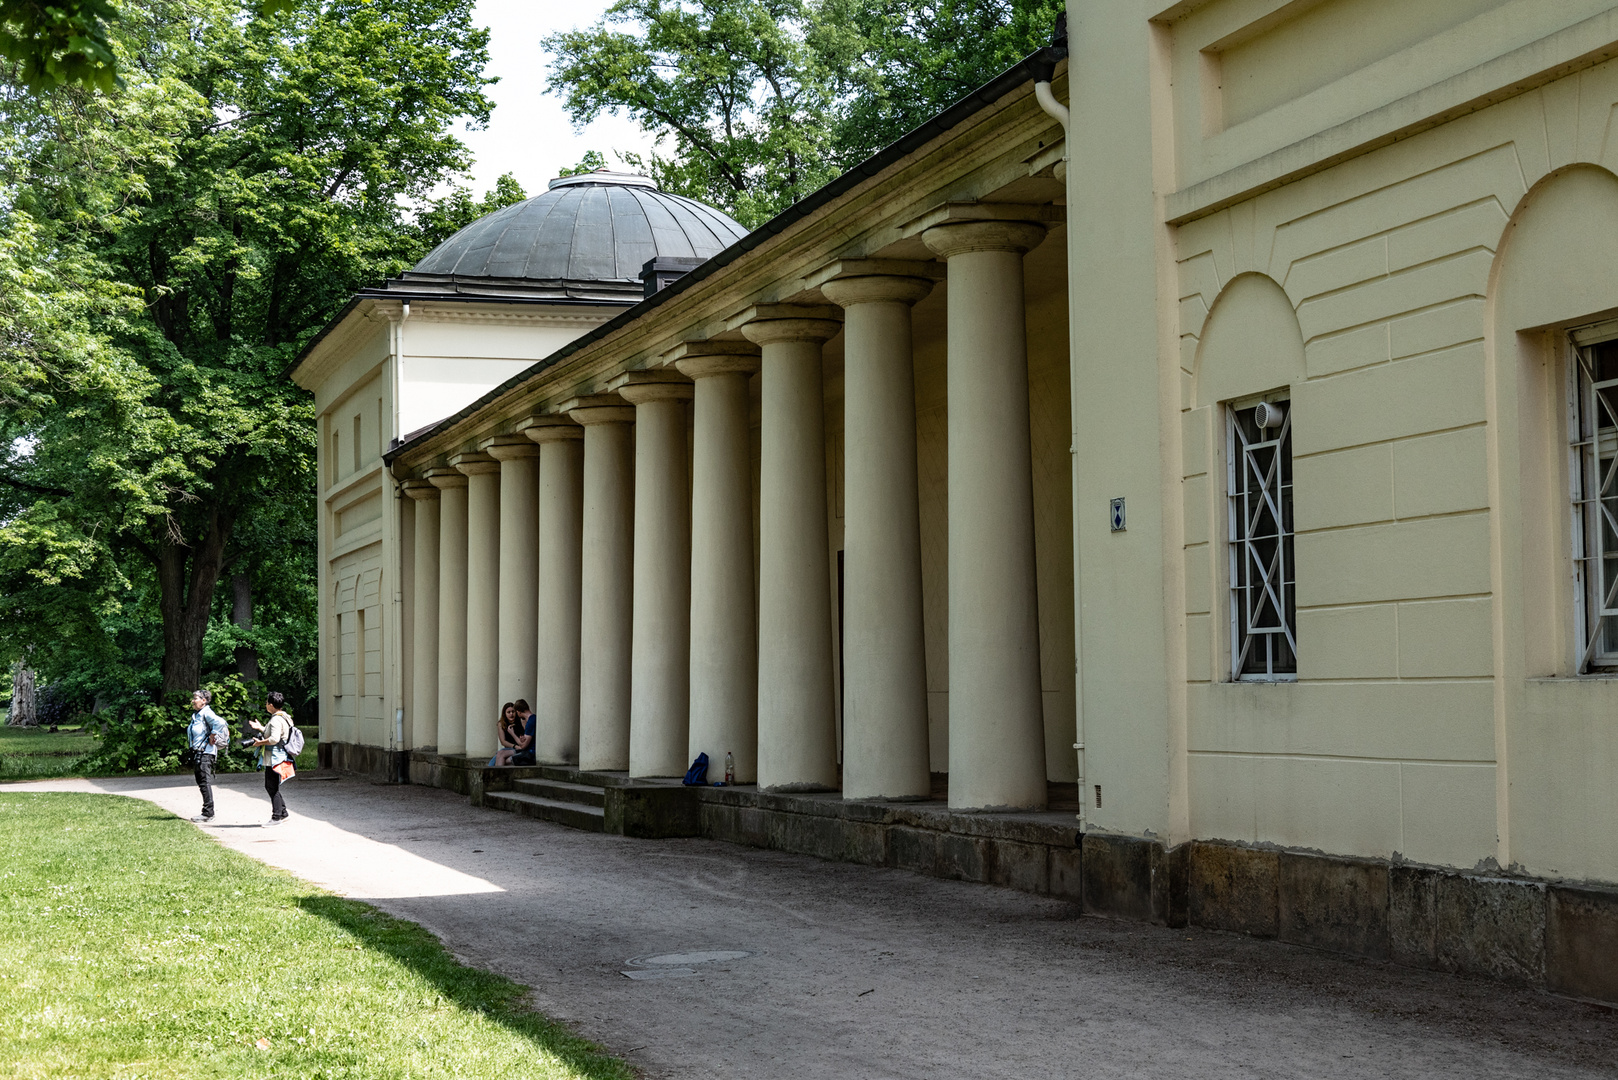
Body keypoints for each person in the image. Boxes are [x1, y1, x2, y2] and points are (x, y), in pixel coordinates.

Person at [248, 691, 295, 826]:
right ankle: (283, 813)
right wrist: (261, 728)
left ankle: (276, 817)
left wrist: (260, 743)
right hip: (280, 756)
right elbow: (276, 734)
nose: (266, 705)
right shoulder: (284, 717)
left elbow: (274, 739)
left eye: (267, 703)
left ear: (271, 705)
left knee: (271, 786)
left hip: (275, 758)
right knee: (272, 786)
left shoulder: (275, 719)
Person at [186, 690, 229, 824]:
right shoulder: (197, 715)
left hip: (206, 752)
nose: (193, 701)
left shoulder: (206, 713)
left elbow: (220, 722)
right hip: (199, 752)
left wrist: (213, 735)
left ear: (204, 700)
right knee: (201, 782)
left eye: (195, 698)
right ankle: (207, 811)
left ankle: (208, 813)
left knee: (204, 782)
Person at [489, 702, 519, 766]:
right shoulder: (501, 724)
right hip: (509, 748)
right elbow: (503, 741)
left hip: (518, 749)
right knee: (493, 761)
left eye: (513, 711)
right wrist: (515, 746)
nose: (511, 714)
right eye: (508, 712)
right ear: (504, 714)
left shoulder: (520, 722)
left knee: (500, 755)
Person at [510, 699, 536, 766]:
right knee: (501, 754)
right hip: (530, 751)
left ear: (518, 712)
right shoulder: (533, 718)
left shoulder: (530, 722)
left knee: (508, 759)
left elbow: (523, 746)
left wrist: (512, 733)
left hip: (531, 754)